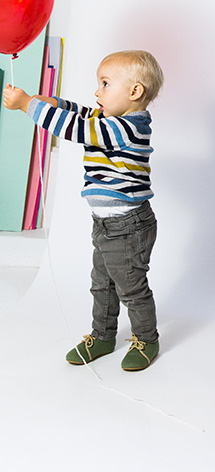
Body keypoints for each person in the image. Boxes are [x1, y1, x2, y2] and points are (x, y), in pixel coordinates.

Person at [3, 49, 164, 371]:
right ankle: (102, 335)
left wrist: (28, 106)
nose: (97, 91)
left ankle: (147, 339)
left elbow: (78, 128)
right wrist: (48, 102)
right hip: (106, 224)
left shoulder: (128, 127)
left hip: (129, 225)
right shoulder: (108, 119)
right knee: (101, 283)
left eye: (105, 84)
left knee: (131, 286)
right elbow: (78, 112)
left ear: (134, 92)